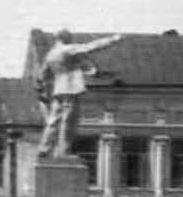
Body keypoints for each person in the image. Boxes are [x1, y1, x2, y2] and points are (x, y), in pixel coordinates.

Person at [35, 30, 124, 159]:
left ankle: (44, 149)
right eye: (69, 37)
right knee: (68, 122)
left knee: (53, 122)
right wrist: (113, 39)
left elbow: (42, 75)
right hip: (71, 89)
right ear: (65, 38)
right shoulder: (68, 49)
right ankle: (64, 152)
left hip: (58, 91)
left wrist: (40, 90)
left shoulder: (51, 54)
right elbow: (91, 47)